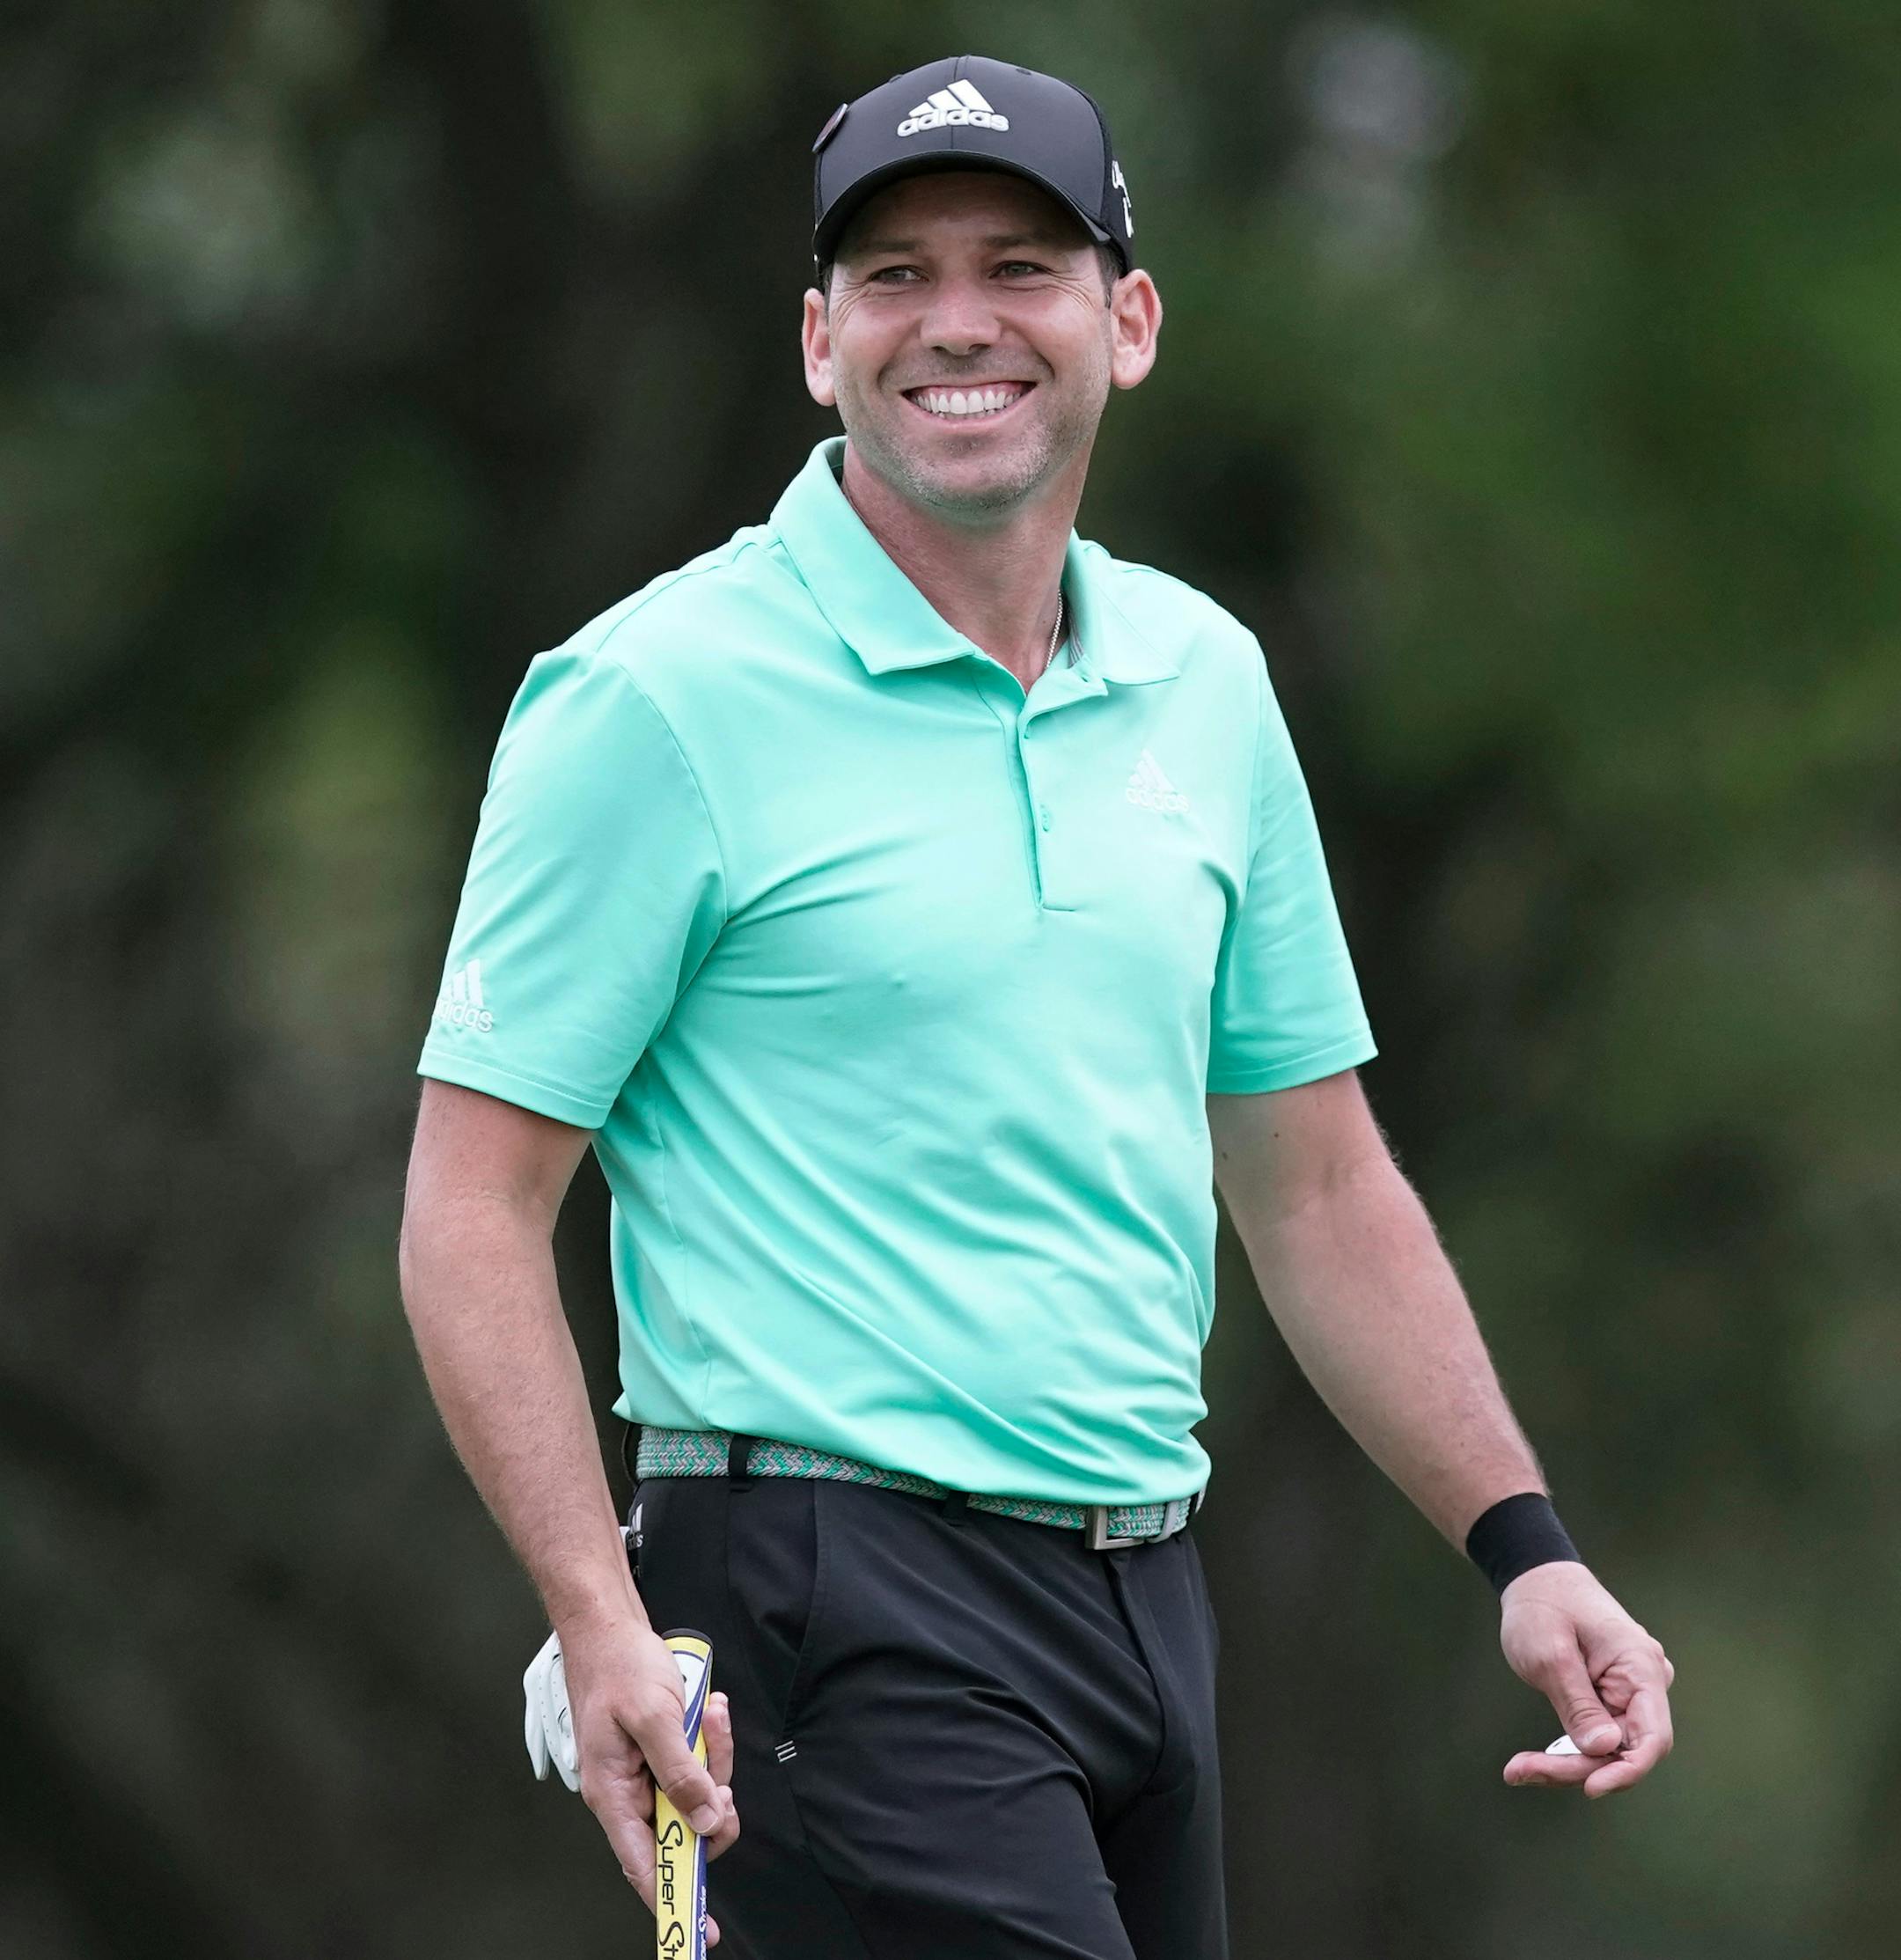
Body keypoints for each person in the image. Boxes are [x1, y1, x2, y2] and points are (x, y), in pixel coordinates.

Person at [397, 52, 1675, 1960]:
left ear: (1126, 322)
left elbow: (1313, 1180)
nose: (959, 323)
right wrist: (594, 1614)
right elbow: (471, 1209)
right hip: (824, 1603)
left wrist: (1523, 1543)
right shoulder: (652, 695)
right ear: (821, 341)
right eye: (896, 278)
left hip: (1147, 1595)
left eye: (1020, 264)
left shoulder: (1201, 679)